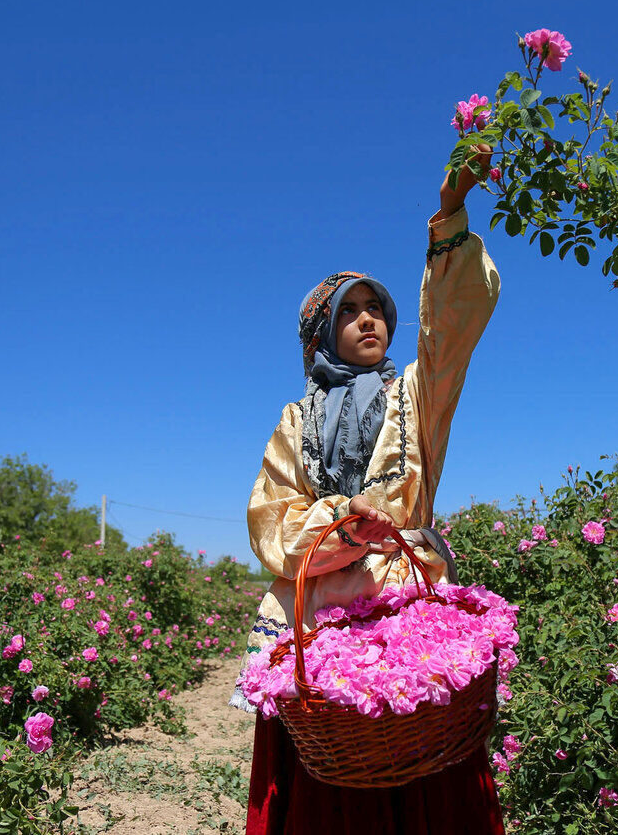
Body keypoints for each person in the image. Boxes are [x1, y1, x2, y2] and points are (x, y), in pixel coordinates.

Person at [231, 147, 504, 835]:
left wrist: (448, 219)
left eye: (375, 307)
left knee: (426, 783)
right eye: (348, 311)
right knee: (335, 793)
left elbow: (451, 330)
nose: (367, 319)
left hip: (409, 615)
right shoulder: (296, 420)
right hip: (321, 624)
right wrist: (340, 520)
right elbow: (271, 523)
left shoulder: (417, 394)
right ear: (322, 331)